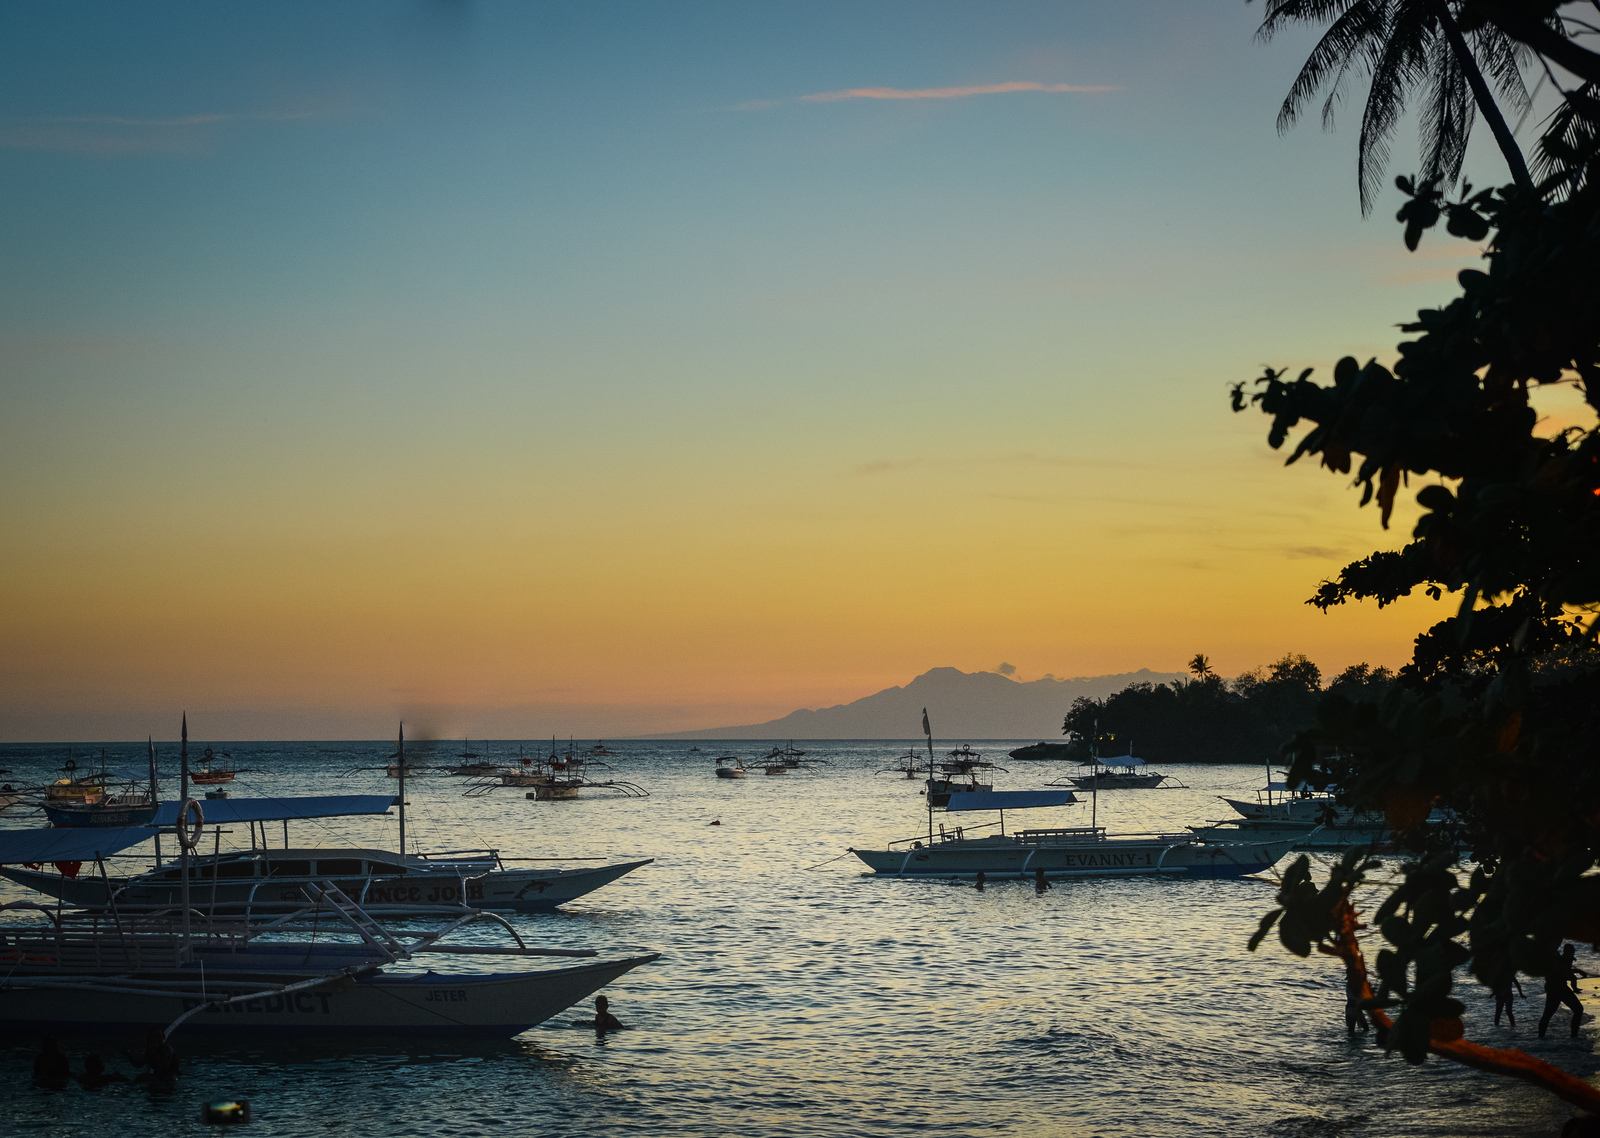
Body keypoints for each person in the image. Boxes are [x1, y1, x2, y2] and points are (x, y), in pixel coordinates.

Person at [1539, 944, 1590, 1039]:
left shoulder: (1560, 958)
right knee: (1578, 1009)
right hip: (1558, 988)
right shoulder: (1561, 959)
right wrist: (1576, 977)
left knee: (1548, 1014)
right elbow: (1566, 974)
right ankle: (1573, 1036)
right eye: (1572, 952)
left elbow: (1565, 972)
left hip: (1555, 987)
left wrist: (1576, 973)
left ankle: (1541, 1038)